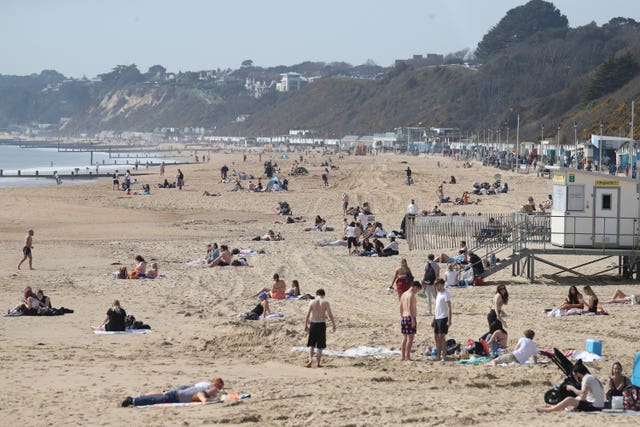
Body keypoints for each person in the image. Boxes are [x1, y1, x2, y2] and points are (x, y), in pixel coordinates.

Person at [536, 362, 604, 412]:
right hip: (598, 405)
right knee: (576, 398)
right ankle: (555, 407)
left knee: (569, 399)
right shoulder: (590, 377)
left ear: (578, 373)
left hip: (594, 407)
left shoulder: (586, 379)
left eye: (575, 375)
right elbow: (583, 396)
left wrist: (572, 388)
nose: (575, 377)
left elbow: (583, 396)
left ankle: (550, 410)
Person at [122, 377, 225, 407]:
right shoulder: (202, 392)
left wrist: (218, 396)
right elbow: (205, 400)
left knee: (158, 397)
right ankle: (133, 400)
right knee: (155, 400)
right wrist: (217, 400)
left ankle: (135, 400)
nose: (216, 392)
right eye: (215, 391)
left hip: (177, 395)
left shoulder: (204, 389)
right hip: (175, 397)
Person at [304, 289, 336, 368]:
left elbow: (307, 315)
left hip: (313, 323)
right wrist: (333, 324)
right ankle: (318, 363)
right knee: (320, 345)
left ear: (316, 294)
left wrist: (305, 325)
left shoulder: (312, 302)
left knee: (311, 344)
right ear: (323, 295)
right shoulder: (325, 302)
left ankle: (310, 359)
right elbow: (330, 314)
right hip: (321, 324)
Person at [400, 281, 421, 361]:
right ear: (415, 287)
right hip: (410, 317)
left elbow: (401, 307)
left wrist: (402, 316)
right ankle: (407, 356)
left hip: (404, 317)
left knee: (405, 337)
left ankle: (403, 356)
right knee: (410, 338)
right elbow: (410, 307)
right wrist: (412, 319)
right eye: (417, 290)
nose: (417, 292)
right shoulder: (411, 295)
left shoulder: (403, 294)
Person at [432, 279, 451, 362]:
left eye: (438, 285)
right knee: (436, 337)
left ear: (442, 284)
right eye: (436, 285)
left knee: (441, 337)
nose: (436, 287)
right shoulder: (438, 294)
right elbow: (437, 308)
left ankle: (444, 356)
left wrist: (449, 320)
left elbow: (449, 308)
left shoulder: (446, 294)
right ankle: (438, 355)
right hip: (437, 317)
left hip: (443, 318)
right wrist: (434, 319)